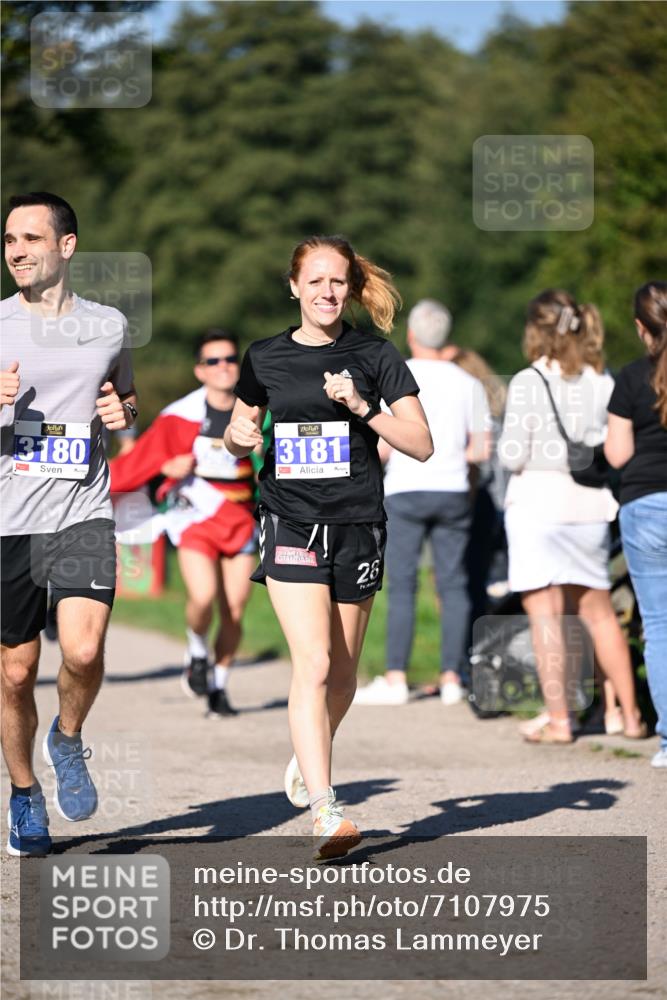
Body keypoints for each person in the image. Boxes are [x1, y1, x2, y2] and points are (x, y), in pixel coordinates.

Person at [224, 235, 433, 859]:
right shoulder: (263, 357)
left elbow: (421, 444)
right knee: (313, 664)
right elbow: (239, 431)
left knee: (342, 675)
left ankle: (306, 749)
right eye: (314, 281)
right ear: (294, 287)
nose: (326, 292)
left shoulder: (375, 354)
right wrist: (237, 438)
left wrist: (362, 406)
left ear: (351, 288)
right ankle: (325, 808)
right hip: (289, 520)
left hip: (358, 524)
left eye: (337, 282)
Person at [1, 192, 137, 856]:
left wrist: (123, 414)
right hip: (8, 518)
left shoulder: (108, 325)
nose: (18, 251)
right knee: (17, 672)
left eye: (31, 238)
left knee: (82, 651)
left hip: (82, 509)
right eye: (9, 240)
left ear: (67, 246)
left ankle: (69, 737)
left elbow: (123, 393)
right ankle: (25, 794)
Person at [497, 289, 646, 744]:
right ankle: (632, 716)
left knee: (546, 617)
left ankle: (561, 719)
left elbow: (511, 454)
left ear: (535, 329)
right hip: (590, 507)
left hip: (537, 509)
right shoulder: (603, 380)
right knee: (599, 614)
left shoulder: (528, 381)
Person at [109, 330, 257, 716]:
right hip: (196, 517)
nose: (224, 366)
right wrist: (167, 468)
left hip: (241, 517)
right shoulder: (182, 415)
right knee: (203, 595)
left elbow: (271, 461)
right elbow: (140, 462)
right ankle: (196, 650)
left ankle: (220, 686)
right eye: (213, 361)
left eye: (229, 359)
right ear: (200, 370)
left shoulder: (256, 408)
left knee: (236, 608)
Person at [353, 299, 490, 707]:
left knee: (403, 585)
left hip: (406, 489)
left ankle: (396, 676)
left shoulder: (397, 374)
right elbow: (481, 449)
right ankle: (452, 676)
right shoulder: (470, 383)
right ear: (446, 337)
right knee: (453, 584)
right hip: (452, 491)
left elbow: (384, 447)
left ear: (411, 336)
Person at [605, 281, 667, 768]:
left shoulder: (629, 379)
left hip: (645, 506)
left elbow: (618, 454)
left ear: (640, 328)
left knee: (660, 626)